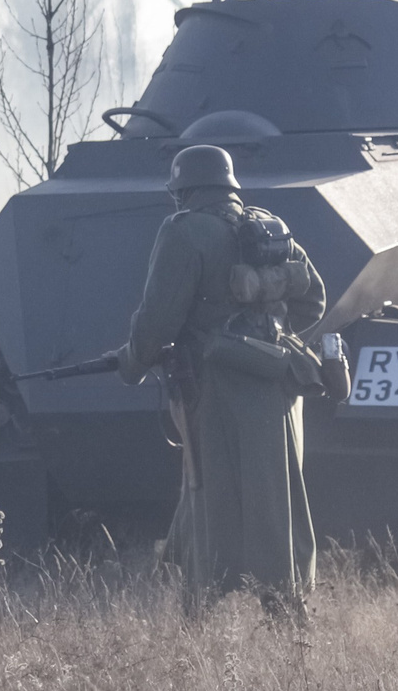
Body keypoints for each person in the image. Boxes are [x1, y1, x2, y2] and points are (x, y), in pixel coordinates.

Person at [119, 144, 326, 615]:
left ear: (184, 190)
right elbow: (313, 301)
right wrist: (265, 335)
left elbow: (156, 323)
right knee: (275, 503)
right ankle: (286, 612)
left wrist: (131, 364)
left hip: (216, 393)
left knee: (210, 498)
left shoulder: (184, 232)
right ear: (229, 185)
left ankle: (199, 615)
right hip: (276, 386)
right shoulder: (267, 227)